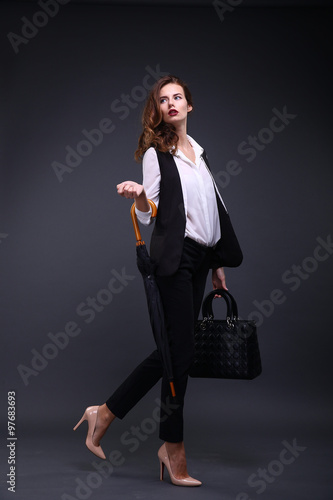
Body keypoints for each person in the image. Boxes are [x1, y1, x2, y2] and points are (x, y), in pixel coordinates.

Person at [73, 75, 243, 487]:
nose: (171, 103)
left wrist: (218, 264)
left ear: (189, 106)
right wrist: (139, 196)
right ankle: (171, 447)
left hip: (201, 259)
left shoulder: (199, 156)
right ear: (158, 110)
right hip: (175, 258)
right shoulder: (156, 154)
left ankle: (107, 413)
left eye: (177, 97)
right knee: (178, 353)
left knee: (173, 353)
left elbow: (208, 213)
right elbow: (150, 214)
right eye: (163, 99)